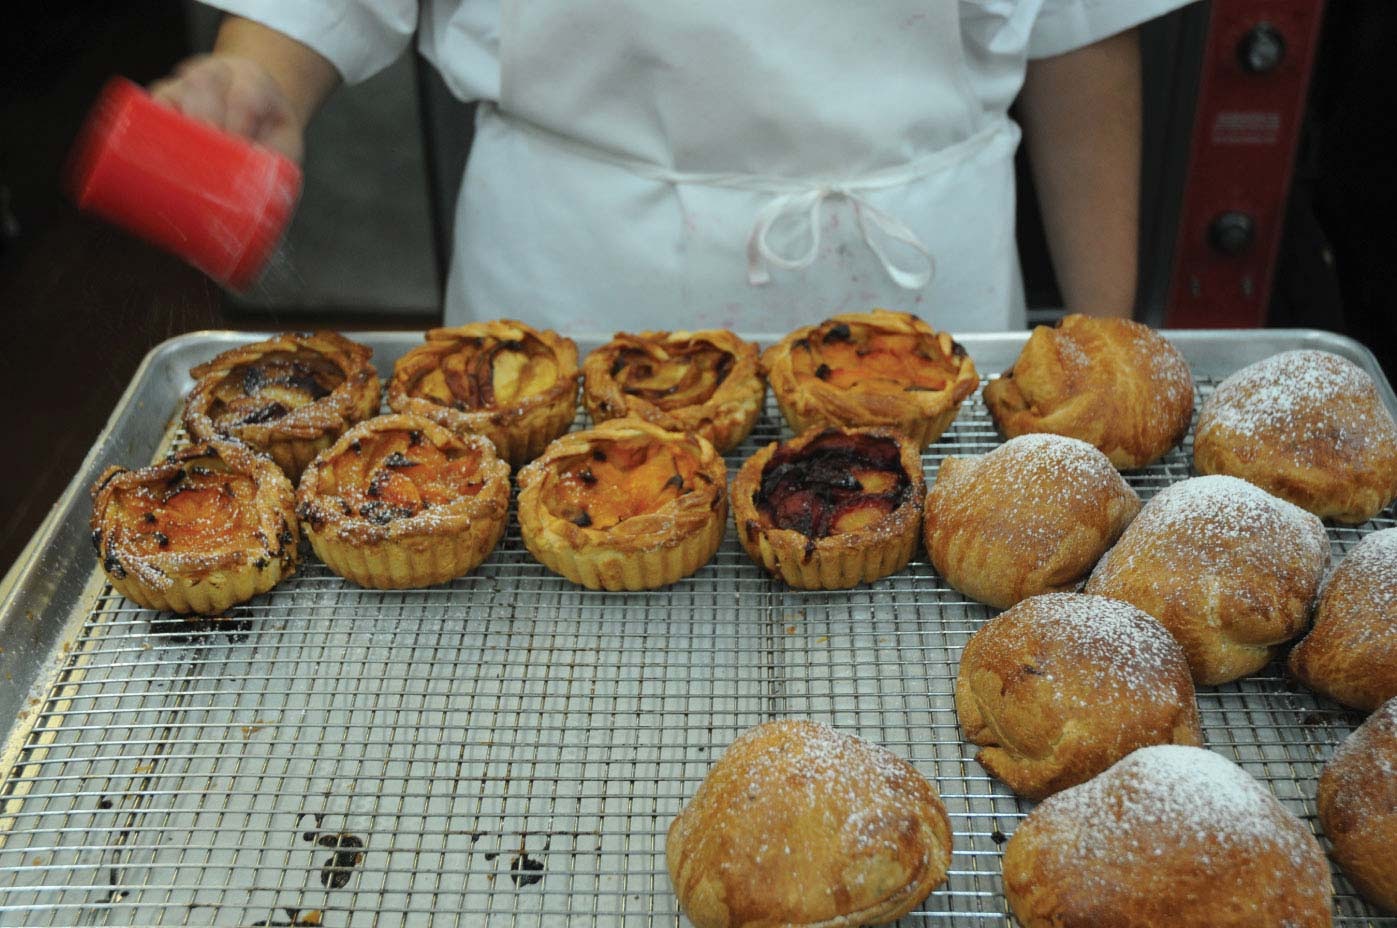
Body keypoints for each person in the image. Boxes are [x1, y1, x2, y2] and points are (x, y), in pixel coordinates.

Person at [153, 2, 1194, 333]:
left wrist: (1100, 349)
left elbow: (1080, 32)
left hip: (929, 307)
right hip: (569, 316)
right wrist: (257, 79)